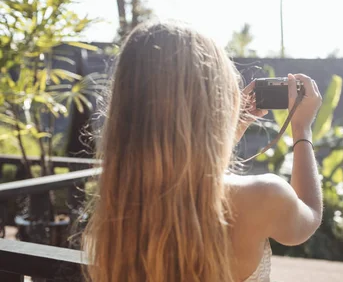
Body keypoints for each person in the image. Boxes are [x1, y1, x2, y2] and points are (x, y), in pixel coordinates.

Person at [83, 19, 323, 282]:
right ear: (218, 98)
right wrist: (302, 129)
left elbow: (184, 179)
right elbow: (309, 215)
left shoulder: (120, 207)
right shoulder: (261, 196)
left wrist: (229, 130)